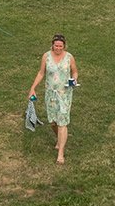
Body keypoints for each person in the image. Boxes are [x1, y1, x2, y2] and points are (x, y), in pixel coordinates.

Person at [28, 35, 80, 164]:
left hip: (64, 94)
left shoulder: (69, 57)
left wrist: (74, 79)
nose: (58, 48)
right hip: (50, 94)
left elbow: (75, 71)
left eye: (60, 46)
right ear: (52, 45)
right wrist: (33, 88)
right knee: (53, 122)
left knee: (62, 123)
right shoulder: (46, 56)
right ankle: (59, 138)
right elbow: (41, 73)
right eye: (56, 46)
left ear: (64, 46)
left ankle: (60, 153)